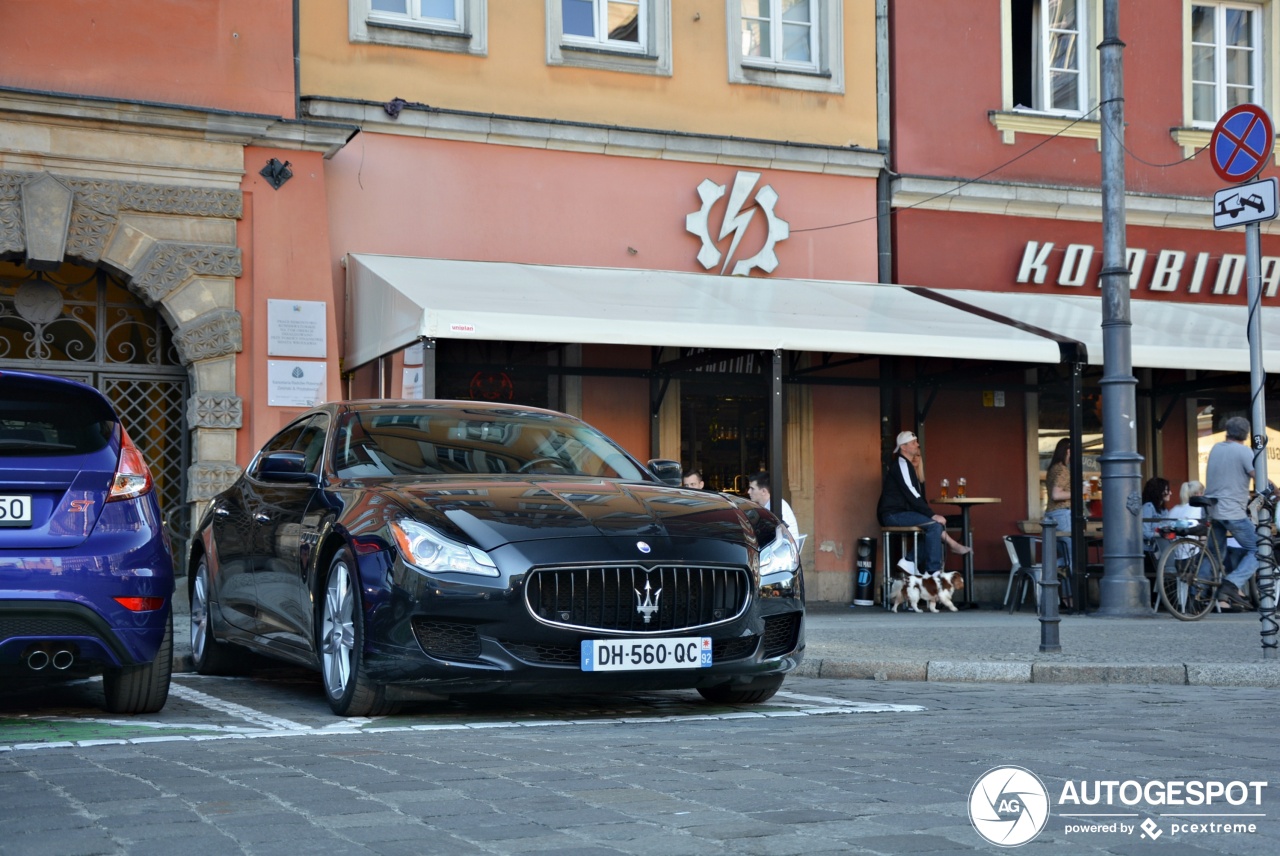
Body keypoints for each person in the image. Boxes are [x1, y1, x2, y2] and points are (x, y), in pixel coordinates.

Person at [876, 431, 962, 574]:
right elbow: (911, 493)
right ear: (904, 447)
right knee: (935, 526)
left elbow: (915, 497)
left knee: (935, 528)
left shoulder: (907, 465)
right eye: (914, 442)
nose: (918, 444)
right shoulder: (901, 464)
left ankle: (910, 560)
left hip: (900, 513)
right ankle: (933, 571)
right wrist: (932, 515)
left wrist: (930, 515)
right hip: (893, 515)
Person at [1203, 416, 1263, 610]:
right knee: (1260, 549)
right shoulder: (1244, 452)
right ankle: (1231, 584)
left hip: (1213, 509)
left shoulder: (1216, 449)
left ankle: (1198, 590)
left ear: (1227, 431)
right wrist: (1277, 491)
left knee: (1214, 554)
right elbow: (1258, 477)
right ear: (1245, 434)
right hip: (1232, 511)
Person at [1042, 437, 1073, 575]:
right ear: (1068, 451)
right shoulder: (1063, 470)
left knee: (1066, 557)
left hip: (1050, 515)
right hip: (1062, 515)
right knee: (1072, 557)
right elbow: (1056, 495)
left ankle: (1068, 596)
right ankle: (1046, 568)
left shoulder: (1053, 468)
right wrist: (1079, 492)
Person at [747, 471, 800, 538]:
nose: (748, 492)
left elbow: (783, 537)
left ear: (763, 491)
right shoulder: (765, 505)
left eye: (752, 489)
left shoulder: (778, 506)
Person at [1140, 477, 1172, 554]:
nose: (1170, 493)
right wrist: (1161, 535)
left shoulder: (1164, 510)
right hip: (1147, 550)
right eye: (1167, 490)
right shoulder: (1148, 507)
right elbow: (1144, 532)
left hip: (1158, 549)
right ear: (1158, 491)